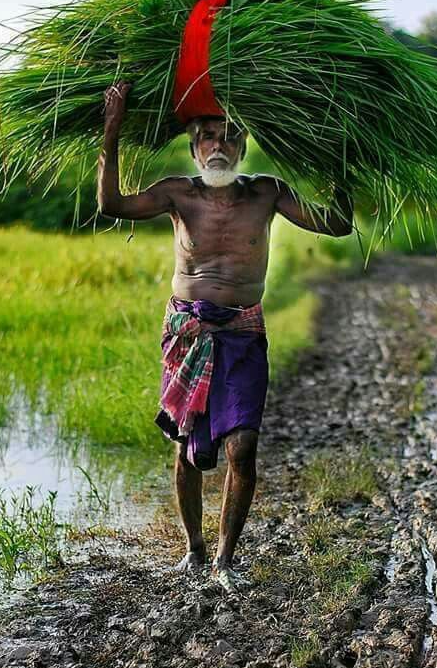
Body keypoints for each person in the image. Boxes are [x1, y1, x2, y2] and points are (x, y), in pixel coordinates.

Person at [97, 81, 353, 590]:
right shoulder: (178, 192)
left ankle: (224, 560)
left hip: (242, 330)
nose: (220, 146)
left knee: (244, 446)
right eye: (209, 137)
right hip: (188, 331)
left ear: (244, 146)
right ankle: (193, 549)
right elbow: (111, 205)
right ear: (194, 146)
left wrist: (336, 154)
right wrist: (113, 127)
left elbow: (339, 223)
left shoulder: (267, 192)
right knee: (186, 442)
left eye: (230, 137)